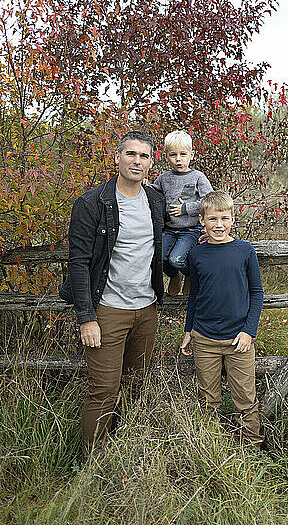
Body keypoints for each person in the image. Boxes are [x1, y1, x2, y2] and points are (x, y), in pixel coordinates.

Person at [59, 130, 165, 456]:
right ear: (117, 157)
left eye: (144, 156)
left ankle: (120, 456)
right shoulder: (92, 202)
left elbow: (171, 242)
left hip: (147, 310)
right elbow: (78, 263)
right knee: (103, 390)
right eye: (131, 154)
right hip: (107, 310)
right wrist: (86, 317)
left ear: (151, 163)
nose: (137, 161)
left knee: (134, 388)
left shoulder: (156, 201)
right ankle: (88, 465)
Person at [180, 190, 264, 448]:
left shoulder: (244, 251)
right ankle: (211, 446)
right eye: (213, 219)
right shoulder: (196, 255)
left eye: (224, 218)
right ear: (202, 221)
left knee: (245, 398)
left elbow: (257, 293)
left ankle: (253, 447)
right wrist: (188, 330)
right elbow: (194, 295)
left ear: (233, 219)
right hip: (204, 338)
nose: (219, 225)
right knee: (209, 398)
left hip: (239, 339)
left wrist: (249, 331)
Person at [150, 130, 212, 296]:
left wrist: (186, 208)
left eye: (183, 154)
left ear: (191, 155)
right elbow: (154, 193)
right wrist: (143, 184)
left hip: (190, 229)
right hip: (170, 228)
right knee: (160, 257)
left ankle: (189, 274)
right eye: (173, 155)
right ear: (166, 157)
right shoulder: (164, 178)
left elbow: (209, 202)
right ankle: (174, 276)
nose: (178, 159)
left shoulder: (198, 177)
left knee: (177, 259)